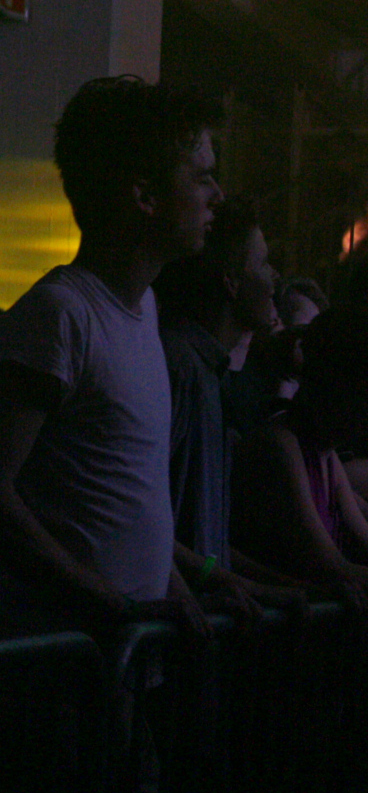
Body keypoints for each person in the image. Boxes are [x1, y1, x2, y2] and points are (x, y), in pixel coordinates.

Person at [0, 76, 222, 640]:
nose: (216, 194)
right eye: (201, 177)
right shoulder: (61, 315)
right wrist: (112, 605)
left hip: (111, 660)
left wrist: (180, 587)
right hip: (51, 665)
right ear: (145, 197)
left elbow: (116, 505)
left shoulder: (142, 307)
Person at [154, 197, 302, 621]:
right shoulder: (180, 368)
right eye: (264, 263)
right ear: (232, 282)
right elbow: (136, 517)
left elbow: (206, 544)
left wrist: (274, 586)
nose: (274, 278)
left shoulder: (206, 373)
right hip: (177, 628)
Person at [232, 305, 368, 605]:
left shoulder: (324, 454)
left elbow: (362, 538)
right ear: (342, 384)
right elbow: (331, 567)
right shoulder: (281, 446)